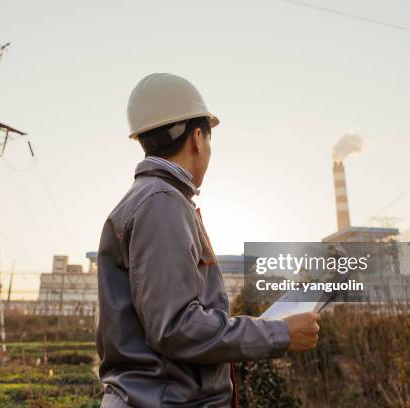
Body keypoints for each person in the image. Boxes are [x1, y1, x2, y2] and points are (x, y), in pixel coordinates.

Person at [96, 73, 320, 408]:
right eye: (209, 140)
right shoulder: (162, 203)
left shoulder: (154, 200)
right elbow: (176, 327)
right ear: (197, 138)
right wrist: (280, 334)